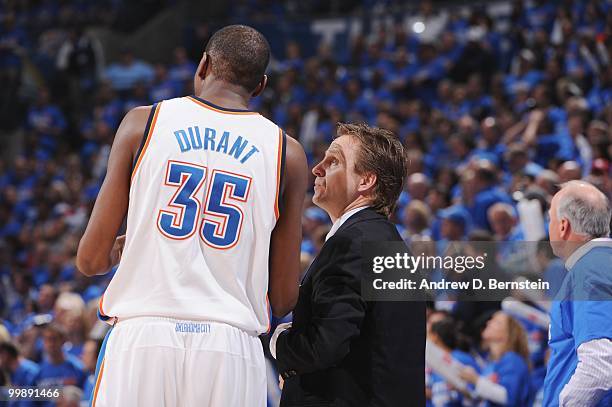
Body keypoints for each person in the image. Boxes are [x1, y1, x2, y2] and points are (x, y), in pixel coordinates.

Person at [76, 25, 309, 406]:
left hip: (144, 336)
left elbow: (90, 260)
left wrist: (125, 248)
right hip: (230, 346)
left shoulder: (143, 122)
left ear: (203, 65)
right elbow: (283, 298)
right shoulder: (288, 153)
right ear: (260, 86)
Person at [270, 123, 426, 406]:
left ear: (365, 181)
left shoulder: (352, 244)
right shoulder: (388, 243)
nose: (317, 168)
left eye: (333, 161)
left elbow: (325, 345)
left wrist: (278, 342)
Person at [543, 180, 612, 406]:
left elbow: (600, 367)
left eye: (550, 219)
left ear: (563, 226)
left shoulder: (590, 269)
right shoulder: (601, 264)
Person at [459, 311, 531, 407]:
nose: (489, 322)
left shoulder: (513, 360)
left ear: (508, 333)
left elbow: (507, 397)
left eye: (496, 322)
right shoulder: (490, 363)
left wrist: (476, 380)